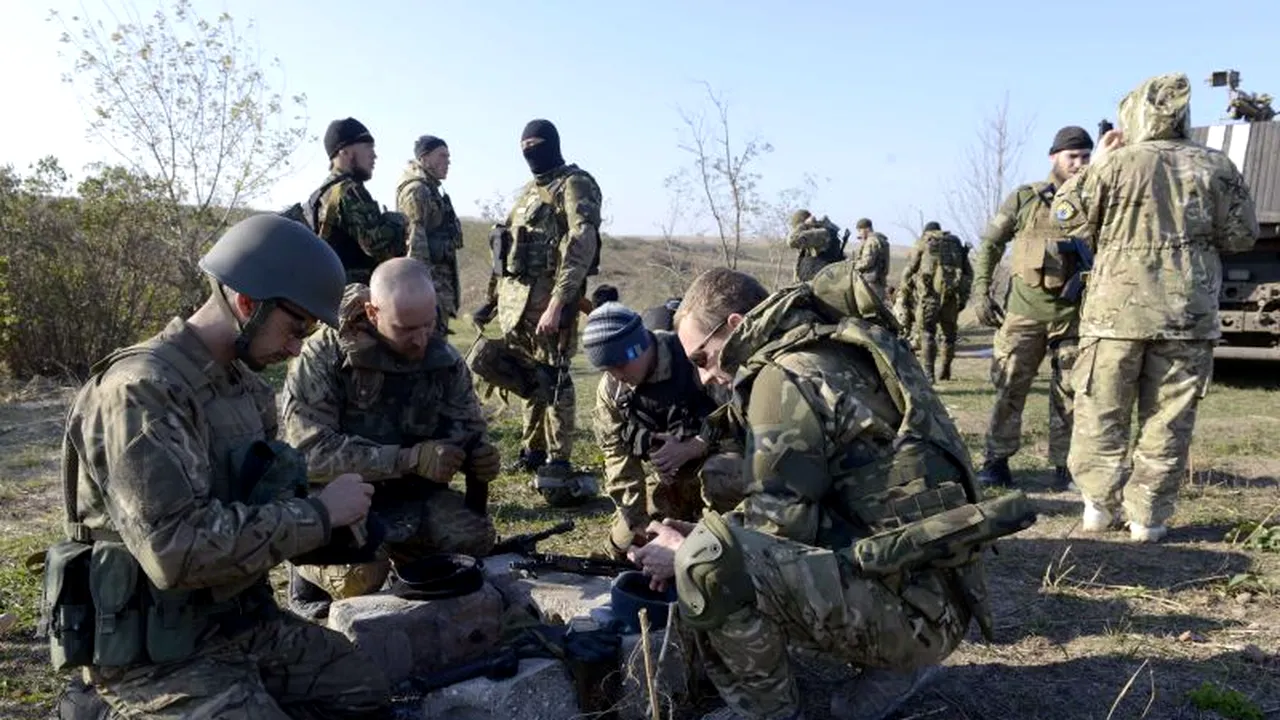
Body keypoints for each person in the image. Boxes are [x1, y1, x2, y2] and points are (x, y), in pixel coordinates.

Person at [629, 266, 1018, 720]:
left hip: (917, 614)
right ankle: (895, 669)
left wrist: (687, 550)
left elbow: (774, 531)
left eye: (702, 357)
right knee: (719, 497)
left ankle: (764, 712)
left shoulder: (785, 376)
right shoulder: (829, 346)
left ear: (735, 326)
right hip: (934, 593)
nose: (704, 377)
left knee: (708, 566)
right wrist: (700, 533)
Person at [45, 214, 389, 718]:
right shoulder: (141, 392)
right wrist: (317, 515)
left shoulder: (245, 387)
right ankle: (98, 705)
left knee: (364, 693)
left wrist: (341, 525)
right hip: (153, 656)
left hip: (239, 624)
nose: (297, 348)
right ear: (249, 303)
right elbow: (173, 551)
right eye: (296, 328)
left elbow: (260, 509)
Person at [1053, 73, 1258, 542]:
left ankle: (1097, 508)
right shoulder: (1217, 166)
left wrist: (1096, 164)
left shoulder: (1115, 164)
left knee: (1101, 412)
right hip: (1186, 312)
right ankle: (1148, 518)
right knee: (1168, 418)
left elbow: (1065, 217)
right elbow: (1242, 235)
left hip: (1114, 315)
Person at [280, 258, 499, 615]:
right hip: (338, 496)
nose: (420, 340)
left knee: (472, 541)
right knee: (361, 576)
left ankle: (404, 556)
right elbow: (308, 454)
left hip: (411, 496)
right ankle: (306, 571)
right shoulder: (325, 353)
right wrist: (407, 459)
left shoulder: (442, 357)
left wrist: (477, 455)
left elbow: (468, 427)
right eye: (406, 328)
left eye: (427, 325)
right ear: (372, 311)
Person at [969, 125, 1095, 490]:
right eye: (1073, 156)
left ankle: (1066, 465)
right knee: (1010, 387)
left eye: (1086, 157)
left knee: (1071, 393)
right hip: (1024, 313)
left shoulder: (1095, 200)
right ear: (1054, 157)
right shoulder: (1025, 199)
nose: (1079, 164)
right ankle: (996, 461)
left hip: (1073, 315)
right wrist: (981, 291)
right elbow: (990, 244)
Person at [583, 302, 747, 558]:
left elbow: (741, 419)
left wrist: (696, 444)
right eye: (607, 369)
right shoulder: (612, 389)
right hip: (669, 480)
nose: (616, 376)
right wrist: (636, 520)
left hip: (718, 467)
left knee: (720, 476)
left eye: (620, 365)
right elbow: (615, 454)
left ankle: (729, 546)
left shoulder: (693, 357)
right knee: (630, 540)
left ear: (639, 347)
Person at [493, 119, 603, 497]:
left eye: (535, 144)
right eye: (522, 145)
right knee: (531, 379)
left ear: (553, 144)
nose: (529, 151)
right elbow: (507, 246)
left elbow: (582, 242)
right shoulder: (527, 193)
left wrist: (559, 301)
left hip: (551, 304)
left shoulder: (575, 184)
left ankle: (559, 457)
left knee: (555, 378)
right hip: (518, 305)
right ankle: (532, 449)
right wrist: (494, 300)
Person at [312, 117, 408, 284]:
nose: (374, 155)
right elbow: (378, 247)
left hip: (336, 294)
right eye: (368, 147)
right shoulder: (349, 191)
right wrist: (398, 222)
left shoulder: (325, 192)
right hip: (355, 298)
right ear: (345, 151)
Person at [397, 134, 463, 336]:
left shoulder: (432, 190)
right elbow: (414, 244)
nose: (448, 161)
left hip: (437, 288)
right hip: (428, 289)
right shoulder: (417, 191)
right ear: (424, 158)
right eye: (442, 156)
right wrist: (421, 293)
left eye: (448, 156)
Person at [899, 222, 973, 381]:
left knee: (927, 334)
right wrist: (963, 297)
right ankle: (945, 371)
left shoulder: (924, 242)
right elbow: (968, 273)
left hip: (928, 296)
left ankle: (928, 373)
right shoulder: (955, 243)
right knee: (949, 336)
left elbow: (909, 270)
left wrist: (904, 295)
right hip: (951, 297)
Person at [786, 209, 847, 282]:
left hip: (821, 285)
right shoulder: (821, 233)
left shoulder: (820, 234)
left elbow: (792, 241)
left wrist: (804, 225)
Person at [851, 218, 891, 298]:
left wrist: (854, 265)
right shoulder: (881, 240)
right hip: (879, 280)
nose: (859, 234)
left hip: (871, 282)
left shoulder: (871, 241)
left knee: (869, 308)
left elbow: (867, 262)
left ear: (866, 229)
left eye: (859, 231)